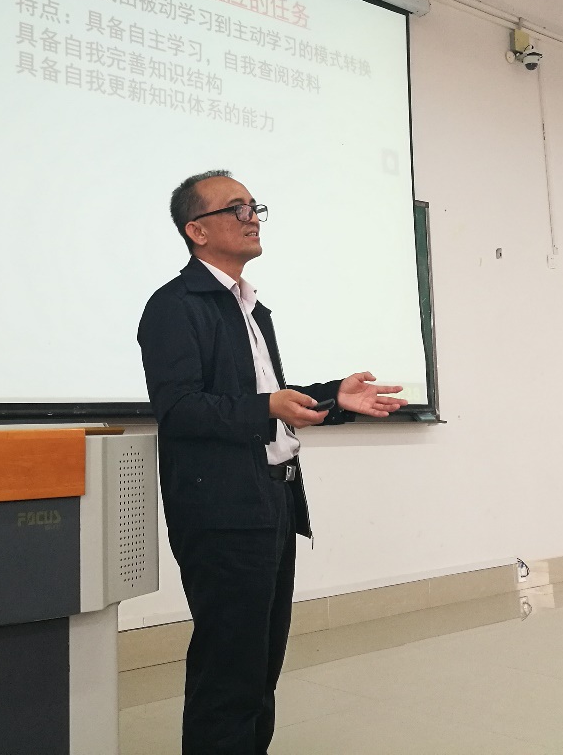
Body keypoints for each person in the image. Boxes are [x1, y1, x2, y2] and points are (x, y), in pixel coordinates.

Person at [137, 170, 408, 755]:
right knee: (229, 668)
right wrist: (267, 406)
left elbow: (266, 399)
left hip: (274, 500)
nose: (252, 217)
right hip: (221, 509)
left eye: (254, 206)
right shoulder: (174, 307)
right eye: (235, 208)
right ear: (196, 231)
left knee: (261, 665)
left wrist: (334, 397)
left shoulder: (252, 309)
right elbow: (180, 410)